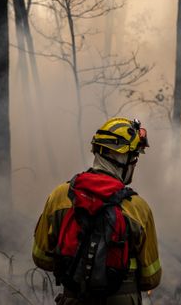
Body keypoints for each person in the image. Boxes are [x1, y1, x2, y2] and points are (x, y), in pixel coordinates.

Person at [32, 117, 161, 305]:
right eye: (134, 158)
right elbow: (151, 278)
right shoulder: (138, 208)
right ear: (123, 159)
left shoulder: (60, 196)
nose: (134, 164)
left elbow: (41, 258)